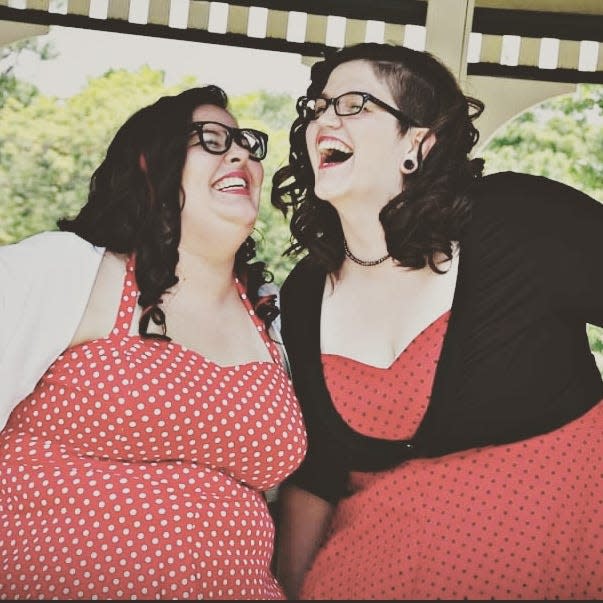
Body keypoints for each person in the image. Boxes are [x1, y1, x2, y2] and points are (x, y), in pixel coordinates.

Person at [270, 42, 603, 600]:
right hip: (362, 576)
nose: (323, 117)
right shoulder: (305, 292)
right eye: (317, 106)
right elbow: (319, 476)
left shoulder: (522, 218)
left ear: (417, 143)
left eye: (353, 104)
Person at [0, 85, 307, 599]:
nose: (240, 154)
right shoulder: (69, 270)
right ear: (147, 165)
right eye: (210, 139)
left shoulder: (272, 318)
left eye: (246, 143)